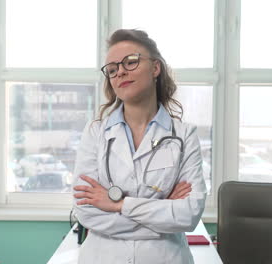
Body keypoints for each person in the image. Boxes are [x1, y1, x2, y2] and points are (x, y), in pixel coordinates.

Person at [73, 29, 206, 264]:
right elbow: (87, 212)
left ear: (155, 68)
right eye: (112, 69)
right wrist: (162, 212)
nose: (120, 71)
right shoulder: (95, 133)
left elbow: (188, 215)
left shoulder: (184, 135)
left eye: (131, 62)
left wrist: (119, 204)